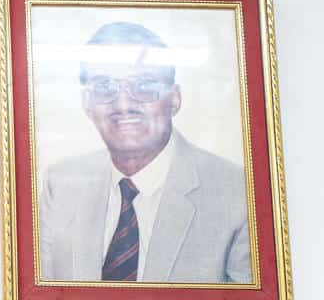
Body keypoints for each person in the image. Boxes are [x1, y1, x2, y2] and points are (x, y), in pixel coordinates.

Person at [39, 22, 251, 284]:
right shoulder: (60, 185)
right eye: (104, 86)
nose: (123, 104)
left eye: (143, 85)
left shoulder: (238, 193)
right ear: (86, 104)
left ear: (175, 99)